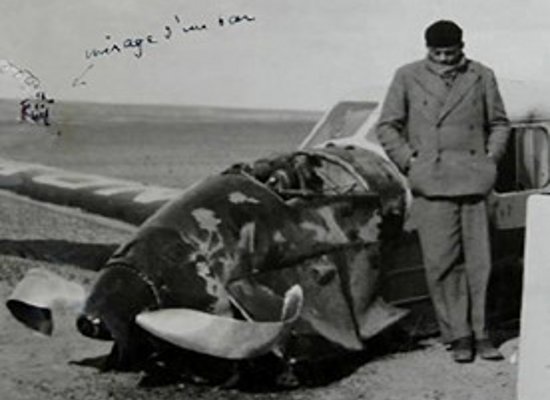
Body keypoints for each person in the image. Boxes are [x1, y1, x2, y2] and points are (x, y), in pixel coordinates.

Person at [376, 20, 510, 363]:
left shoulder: (482, 75)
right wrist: (410, 160)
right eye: (438, 52)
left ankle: (482, 334)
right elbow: (388, 126)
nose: (445, 58)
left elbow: (498, 123)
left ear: (462, 47)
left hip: (474, 180)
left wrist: (490, 159)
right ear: (427, 50)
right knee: (441, 262)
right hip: (432, 181)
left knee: (480, 261)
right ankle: (458, 335)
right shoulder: (407, 76)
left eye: (451, 52)